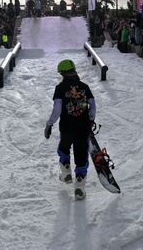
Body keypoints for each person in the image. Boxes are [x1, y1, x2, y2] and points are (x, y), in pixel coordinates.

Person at [44, 59, 96, 200]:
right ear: (74, 70)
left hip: (66, 127)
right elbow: (92, 105)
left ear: (62, 73)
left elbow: (57, 109)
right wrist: (90, 120)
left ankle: (66, 171)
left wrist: (49, 124)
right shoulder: (84, 87)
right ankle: (79, 187)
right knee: (81, 155)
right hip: (83, 128)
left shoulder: (60, 88)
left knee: (64, 148)